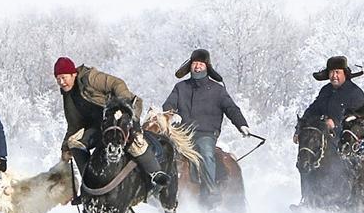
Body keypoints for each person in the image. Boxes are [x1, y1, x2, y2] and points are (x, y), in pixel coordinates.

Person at [54, 57, 165, 204]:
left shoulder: (89, 78)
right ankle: (88, 186)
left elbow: (117, 83)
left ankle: (156, 174)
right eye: (58, 78)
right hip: (99, 126)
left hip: (120, 113)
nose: (61, 82)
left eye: (64, 77)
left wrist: (124, 106)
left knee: (134, 140)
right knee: (75, 143)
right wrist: (65, 148)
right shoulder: (68, 96)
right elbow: (74, 125)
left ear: (73, 74)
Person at [162, 49, 250, 198]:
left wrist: (241, 124)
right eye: (195, 63)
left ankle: (212, 192)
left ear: (207, 67)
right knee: (161, 150)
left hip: (206, 133)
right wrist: (171, 113)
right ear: (190, 66)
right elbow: (168, 104)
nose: (197, 67)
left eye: (201, 64)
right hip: (181, 133)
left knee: (206, 153)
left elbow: (231, 108)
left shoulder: (218, 90)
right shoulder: (180, 87)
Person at [294, 55, 364, 208]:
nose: (334, 76)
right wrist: (299, 130)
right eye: (331, 72)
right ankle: (307, 199)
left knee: (351, 164)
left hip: (347, 139)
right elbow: (312, 110)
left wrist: (336, 124)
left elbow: (358, 120)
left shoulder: (355, 93)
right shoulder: (326, 91)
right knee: (305, 156)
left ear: (345, 73)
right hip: (326, 139)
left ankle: (350, 200)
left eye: (337, 72)